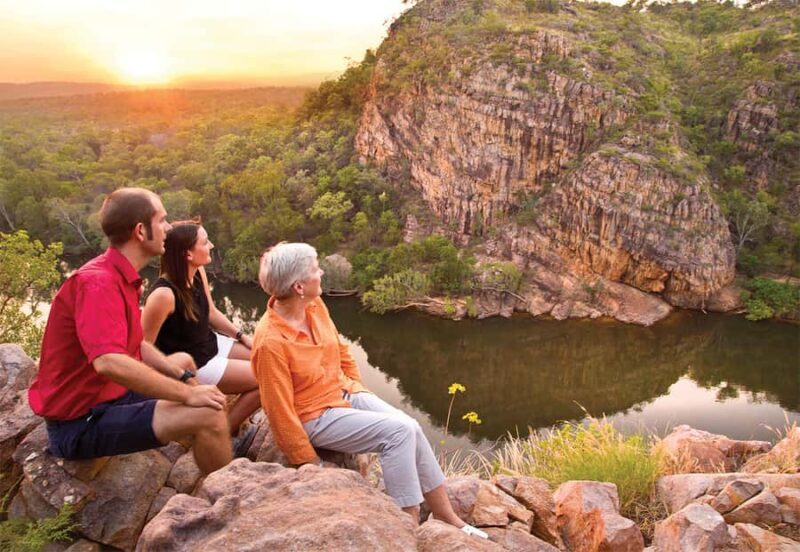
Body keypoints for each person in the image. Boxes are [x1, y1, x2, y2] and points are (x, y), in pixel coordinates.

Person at [251, 242, 488, 537]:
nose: (321, 272)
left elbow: (341, 351)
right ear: (299, 286)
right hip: (315, 414)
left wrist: (359, 390)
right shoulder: (271, 341)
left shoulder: (314, 306)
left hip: (343, 391)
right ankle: (407, 525)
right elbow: (278, 412)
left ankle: (447, 515)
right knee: (397, 433)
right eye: (315, 269)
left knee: (411, 426)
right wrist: (312, 464)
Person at [28, 188, 232, 475]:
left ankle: (207, 446)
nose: (168, 227)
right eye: (161, 220)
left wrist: (184, 379)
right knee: (208, 414)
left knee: (187, 366)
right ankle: (226, 497)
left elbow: (137, 343)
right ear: (140, 230)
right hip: (81, 420)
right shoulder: (98, 283)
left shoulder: (118, 276)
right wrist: (186, 396)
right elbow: (109, 361)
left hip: (113, 398)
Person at [141, 220, 260, 441]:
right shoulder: (163, 295)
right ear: (187, 253)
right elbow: (142, 346)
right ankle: (223, 434)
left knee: (269, 358)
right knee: (266, 377)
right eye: (205, 242)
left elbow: (212, 313)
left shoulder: (197, 272)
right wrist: (178, 380)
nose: (212, 245)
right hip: (196, 363)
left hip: (210, 343)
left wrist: (243, 337)